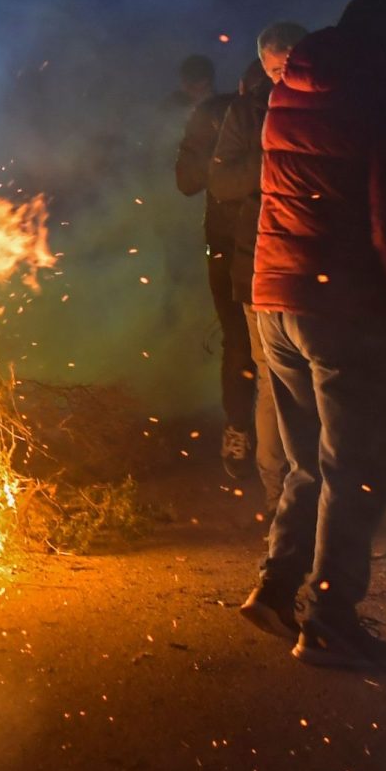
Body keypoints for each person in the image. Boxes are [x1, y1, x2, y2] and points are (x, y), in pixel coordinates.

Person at [239, 0, 386, 668]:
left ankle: (275, 587)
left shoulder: (291, 85)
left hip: (274, 293)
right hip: (341, 305)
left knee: (309, 462)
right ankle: (329, 618)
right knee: (359, 464)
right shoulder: (378, 97)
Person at [206, 22, 306, 511]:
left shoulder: (328, 109)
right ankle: (278, 497)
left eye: (292, 64)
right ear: (264, 68)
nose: (285, 75)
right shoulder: (247, 114)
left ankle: (314, 498)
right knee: (272, 379)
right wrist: (273, 165)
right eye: (276, 68)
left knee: (317, 380)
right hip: (260, 263)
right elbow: (219, 182)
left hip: (318, 266)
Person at [174, 60, 250, 476]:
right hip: (228, 248)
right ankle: (241, 431)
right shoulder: (214, 114)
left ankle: (263, 438)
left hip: (272, 247)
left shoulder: (285, 112)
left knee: (276, 348)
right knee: (241, 344)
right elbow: (187, 181)